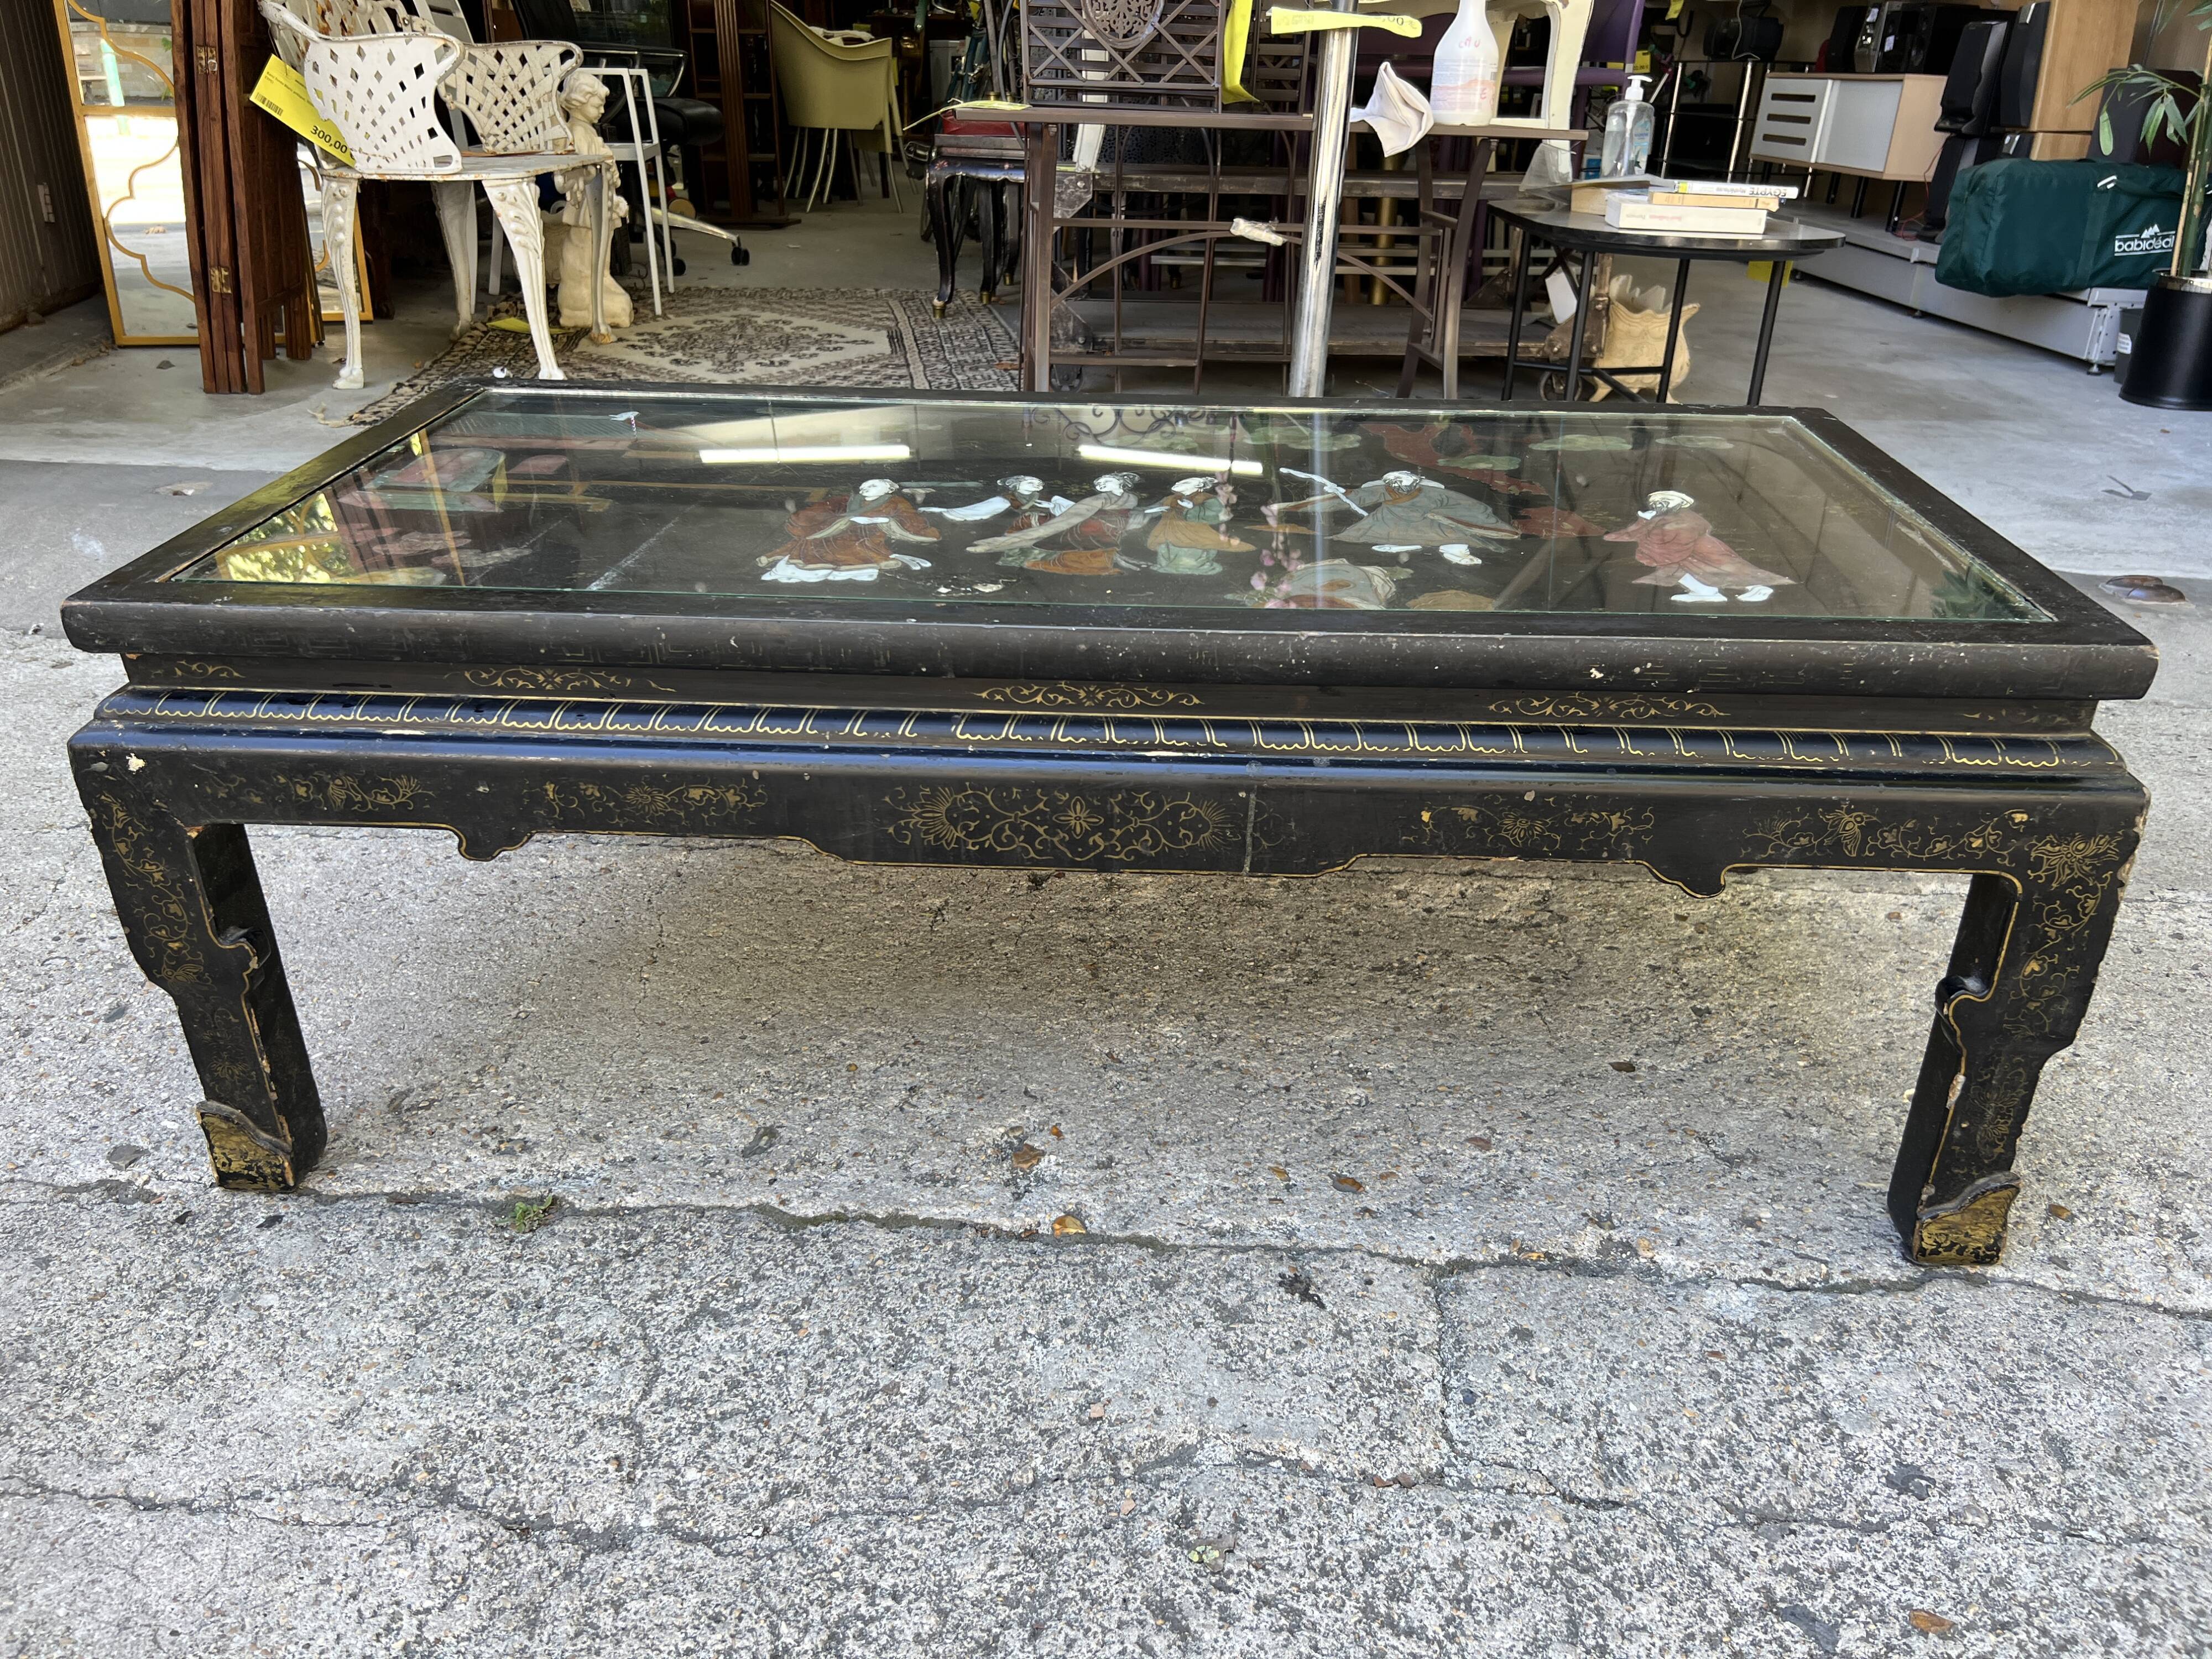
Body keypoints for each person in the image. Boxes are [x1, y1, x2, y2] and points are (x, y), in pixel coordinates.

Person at [1605, 489, 1791, 603]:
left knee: (1726, 572)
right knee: (1683, 572)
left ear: (1678, 504)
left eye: (1666, 502)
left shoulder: (1686, 518)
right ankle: (1706, 593)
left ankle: (1758, 588)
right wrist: (1642, 521)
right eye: (1658, 502)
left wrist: (1655, 542)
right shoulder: (1658, 518)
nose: (1660, 505)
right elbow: (1634, 534)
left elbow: (1679, 536)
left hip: (1702, 551)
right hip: (1683, 555)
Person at [757, 479, 937, 583]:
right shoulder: (845, 500)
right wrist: (844, 520)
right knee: (815, 538)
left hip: (871, 533)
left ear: (888, 489)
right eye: (863, 487)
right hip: (839, 530)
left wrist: (887, 520)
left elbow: (912, 519)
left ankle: (865, 561)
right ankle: (815, 562)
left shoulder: (896, 502)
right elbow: (820, 512)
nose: (865, 489)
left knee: (858, 542)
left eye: (872, 486)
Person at [969, 472, 1141, 576]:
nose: (1102, 486)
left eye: (1106, 482)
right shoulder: (1099, 499)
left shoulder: (1131, 498)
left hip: (1110, 529)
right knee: (1038, 537)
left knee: (1040, 540)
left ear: (1121, 482)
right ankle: (991, 546)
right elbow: (1076, 514)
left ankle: (993, 546)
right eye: (1099, 484)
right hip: (1087, 528)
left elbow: (1134, 513)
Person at [1144, 476, 1253, 575]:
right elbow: (1165, 509)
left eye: (1185, 483)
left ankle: (1195, 565)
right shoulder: (1173, 498)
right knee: (1170, 550)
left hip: (1195, 533)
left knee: (1195, 551)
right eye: (1179, 483)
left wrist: (1191, 508)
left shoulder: (1207, 499)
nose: (1178, 484)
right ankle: (1171, 565)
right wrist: (1163, 510)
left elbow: (1216, 514)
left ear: (1198, 486)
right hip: (1172, 532)